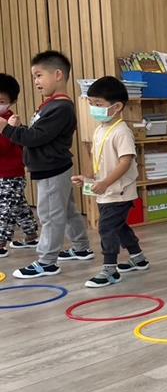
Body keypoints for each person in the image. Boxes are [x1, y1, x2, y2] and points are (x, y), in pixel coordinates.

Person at [0, 51, 92, 277]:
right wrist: (18, 129)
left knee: (50, 215)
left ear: (58, 74)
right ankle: (81, 248)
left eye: (39, 75)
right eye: (34, 77)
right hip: (53, 167)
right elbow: (37, 134)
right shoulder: (50, 105)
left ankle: (47, 261)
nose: (35, 81)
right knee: (67, 211)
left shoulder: (61, 107)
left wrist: (7, 129)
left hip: (52, 169)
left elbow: (36, 138)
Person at [72, 76, 148, 287]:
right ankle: (138, 257)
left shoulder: (122, 131)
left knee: (106, 228)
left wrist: (105, 182)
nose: (94, 108)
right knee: (119, 226)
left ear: (117, 107)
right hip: (106, 191)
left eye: (98, 104)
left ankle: (110, 269)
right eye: (91, 103)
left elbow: (125, 161)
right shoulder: (100, 129)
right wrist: (88, 178)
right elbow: (96, 158)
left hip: (119, 192)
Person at [0, 73, 39, 258]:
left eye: (1, 101)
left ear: (12, 101)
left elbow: (5, 147)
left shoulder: (11, 121)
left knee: (5, 210)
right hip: (5, 173)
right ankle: (31, 235)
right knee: (19, 206)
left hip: (11, 174)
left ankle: (0, 243)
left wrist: (10, 128)